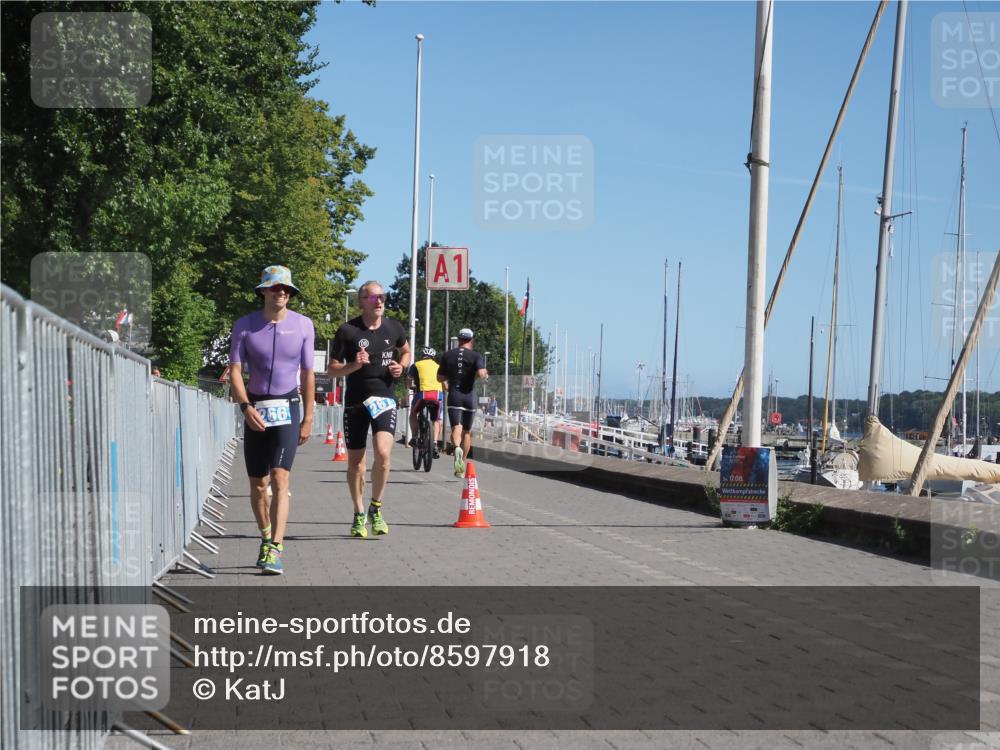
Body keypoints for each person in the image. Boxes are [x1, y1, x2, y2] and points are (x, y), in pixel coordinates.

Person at [229, 265, 315, 575]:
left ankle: (276, 547)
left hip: (288, 406)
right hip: (255, 407)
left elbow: (307, 374)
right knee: (257, 484)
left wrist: (308, 416)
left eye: (287, 289)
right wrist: (244, 406)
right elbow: (236, 370)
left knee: (280, 477)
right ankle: (265, 536)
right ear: (263, 290)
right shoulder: (245, 325)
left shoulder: (304, 325)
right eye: (276, 287)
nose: (282, 293)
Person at [328, 281, 410, 538]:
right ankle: (358, 512)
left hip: (384, 398)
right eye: (373, 297)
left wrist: (401, 366)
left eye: (382, 297)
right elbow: (331, 369)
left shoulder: (394, 327)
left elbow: (406, 351)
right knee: (357, 463)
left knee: (384, 453)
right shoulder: (347, 331)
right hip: (355, 402)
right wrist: (354, 365)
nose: (379, 301)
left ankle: (376, 507)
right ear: (361, 301)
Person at [438, 328, 488, 477]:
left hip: (454, 395)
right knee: (467, 432)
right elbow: (480, 373)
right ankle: (462, 464)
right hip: (469, 396)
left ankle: (456, 447)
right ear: (471, 340)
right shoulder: (476, 356)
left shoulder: (448, 355)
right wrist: (484, 373)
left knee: (456, 428)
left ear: (458, 339)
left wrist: (447, 381)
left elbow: (440, 377)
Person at [407, 347, 443, 458]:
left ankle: (414, 437)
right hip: (437, 395)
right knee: (436, 420)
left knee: (413, 414)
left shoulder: (416, 365)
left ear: (422, 356)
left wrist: (410, 386)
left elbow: (409, 379)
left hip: (422, 394)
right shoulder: (438, 366)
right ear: (433, 357)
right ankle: (435, 443)